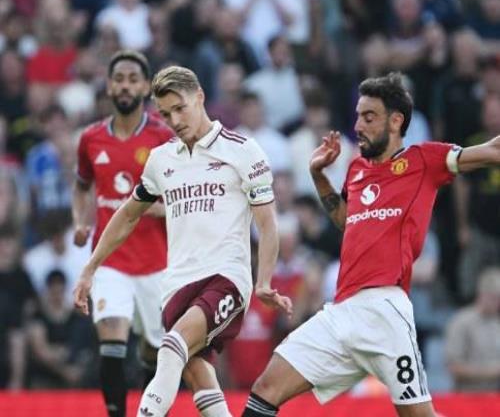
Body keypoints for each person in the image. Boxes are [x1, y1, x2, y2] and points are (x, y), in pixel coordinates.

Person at [241, 72, 500, 417]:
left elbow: (491, 150)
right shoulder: (356, 169)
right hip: (342, 309)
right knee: (266, 388)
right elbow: (348, 222)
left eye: (369, 117)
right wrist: (319, 177)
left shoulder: (424, 159)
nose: (358, 126)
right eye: (357, 116)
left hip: (385, 310)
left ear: (395, 121)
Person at [74, 65, 292, 417]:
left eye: (180, 108)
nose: (174, 120)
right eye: (165, 114)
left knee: (171, 346)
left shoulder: (243, 150)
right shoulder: (161, 160)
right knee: (197, 376)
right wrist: (90, 268)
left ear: (200, 97)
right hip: (175, 285)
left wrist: (263, 280)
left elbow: (267, 224)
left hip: (225, 278)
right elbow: (127, 215)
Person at [72, 50, 172, 417]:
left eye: (133, 79)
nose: (125, 86)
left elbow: (183, 196)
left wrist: (158, 208)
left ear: (146, 87)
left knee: (154, 352)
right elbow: (81, 186)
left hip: (157, 263)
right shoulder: (91, 138)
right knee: (111, 340)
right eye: (119, 79)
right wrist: (79, 221)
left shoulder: (164, 138)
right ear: (109, 86)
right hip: (109, 261)